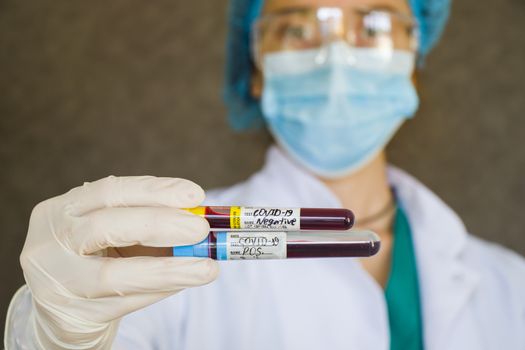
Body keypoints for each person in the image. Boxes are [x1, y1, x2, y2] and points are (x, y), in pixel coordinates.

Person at [5, 0, 525, 348]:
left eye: (374, 24)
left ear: (412, 62)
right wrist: (56, 330)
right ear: (255, 69)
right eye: (298, 27)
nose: (336, 55)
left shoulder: (511, 285)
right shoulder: (165, 247)